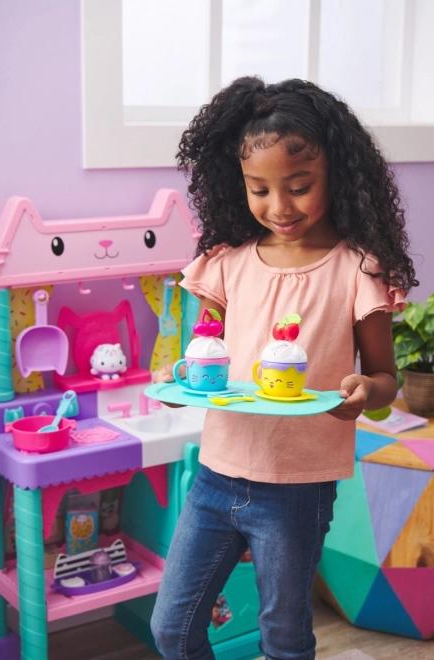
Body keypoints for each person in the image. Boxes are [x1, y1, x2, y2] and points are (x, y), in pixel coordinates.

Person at [150, 76, 418, 660]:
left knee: (285, 637)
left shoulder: (358, 270)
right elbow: (206, 355)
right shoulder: (225, 264)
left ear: (336, 175)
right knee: (172, 629)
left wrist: (364, 389)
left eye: (299, 187)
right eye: (259, 189)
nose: (280, 207)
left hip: (297, 488)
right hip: (216, 475)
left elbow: (384, 379)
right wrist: (179, 381)